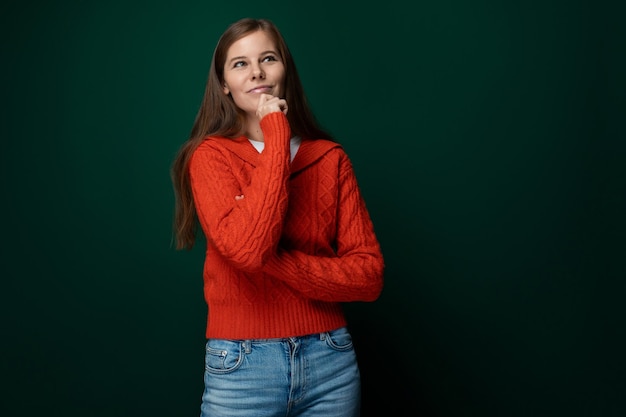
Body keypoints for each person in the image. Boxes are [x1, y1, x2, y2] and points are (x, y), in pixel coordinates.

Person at [170, 17, 384, 417]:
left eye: (268, 58)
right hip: (241, 364)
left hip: (330, 359)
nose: (256, 72)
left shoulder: (329, 158)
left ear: (285, 69)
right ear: (224, 86)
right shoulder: (210, 157)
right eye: (239, 64)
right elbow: (249, 251)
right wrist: (275, 129)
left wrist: (274, 261)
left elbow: (368, 277)